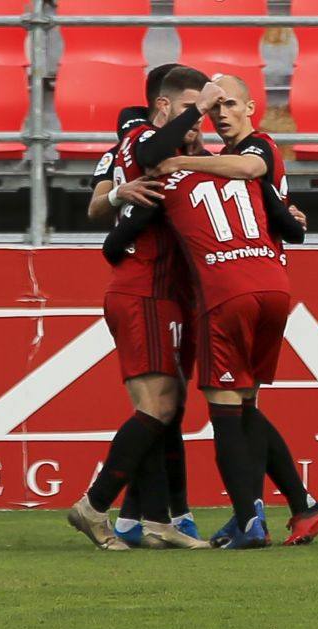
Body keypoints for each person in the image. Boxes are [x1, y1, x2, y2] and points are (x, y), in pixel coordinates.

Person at [156, 74, 318, 546]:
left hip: (233, 287)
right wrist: (292, 222)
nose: (222, 115)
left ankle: (249, 519)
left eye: (230, 104)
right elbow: (279, 212)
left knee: (226, 411)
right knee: (247, 407)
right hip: (271, 280)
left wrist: (174, 158)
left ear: (253, 106)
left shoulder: (258, 149)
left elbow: (252, 173)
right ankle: (303, 506)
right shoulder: (221, 165)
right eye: (215, 109)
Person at [67, 67, 226, 551]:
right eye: (187, 110)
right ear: (162, 106)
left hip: (171, 291)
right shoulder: (142, 138)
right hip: (146, 288)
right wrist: (118, 196)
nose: (197, 121)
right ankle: (94, 507)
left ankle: (160, 520)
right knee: (156, 407)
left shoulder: (172, 148)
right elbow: (98, 205)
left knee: (169, 407)